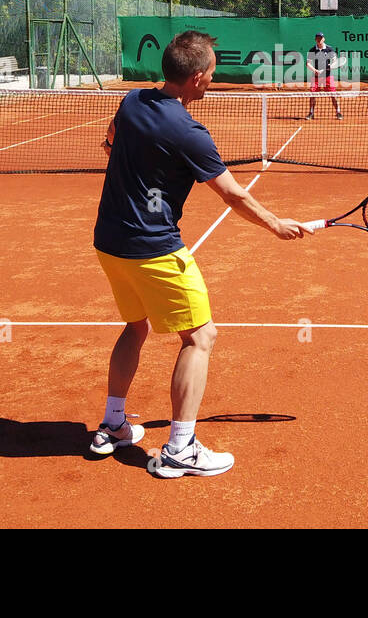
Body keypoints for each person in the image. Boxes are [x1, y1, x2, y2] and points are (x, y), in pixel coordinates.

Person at [91, 30, 312, 478]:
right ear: (196, 78)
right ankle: (180, 448)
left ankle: (114, 425)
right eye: (211, 71)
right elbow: (233, 195)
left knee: (135, 327)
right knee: (200, 337)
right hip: (152, 249)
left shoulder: (132, 100)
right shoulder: (190, 133)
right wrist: (277, 225)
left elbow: (109, 141)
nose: (214, 78)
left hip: (109, 242)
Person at [305, 31, 343, 120]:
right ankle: (311, 113)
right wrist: (315, 70)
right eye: (318, 38)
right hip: (316, 76)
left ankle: (338, 112)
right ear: (315, 39)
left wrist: (331, 66)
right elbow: (308, 63)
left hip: (328, 76)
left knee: (333, 94)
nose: (319, 40)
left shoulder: (329, 49)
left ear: (323, 39)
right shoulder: (312, 50)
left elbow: (334, 60)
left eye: (321, 38)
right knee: (312, 94)